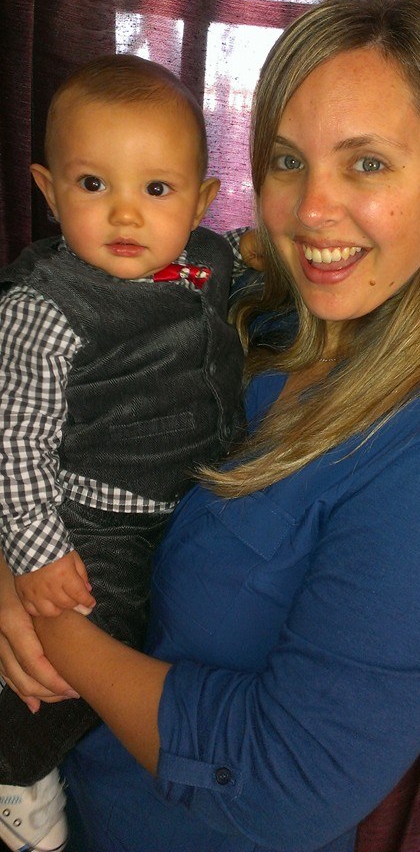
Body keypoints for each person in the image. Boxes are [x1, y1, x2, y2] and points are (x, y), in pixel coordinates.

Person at [0, 0, 420, 852]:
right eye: (287, 161)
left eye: (367, 163)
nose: (311, 210)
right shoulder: (243, 318)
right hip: (68, 796)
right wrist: (11, 561)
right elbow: (29, 414)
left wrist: (53, 628)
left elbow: (281, 782)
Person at [0, 55, 245, 851]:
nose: (126, 214)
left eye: (157, 188)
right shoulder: (44, 307)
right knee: (71, 656)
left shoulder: (206, 259)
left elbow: (249, 256)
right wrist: (36, 550)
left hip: (176, 510)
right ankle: (15, 769)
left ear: (201, 201)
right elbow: (16, 439)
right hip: (85, 520)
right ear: (49, 192)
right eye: (93, 184)